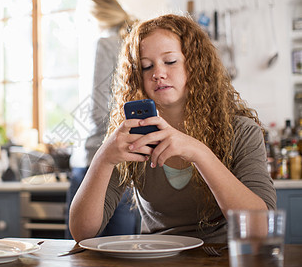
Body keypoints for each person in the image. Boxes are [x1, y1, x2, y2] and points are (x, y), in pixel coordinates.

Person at [69, 13, 277, 243]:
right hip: (156, 263)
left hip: (222, 261)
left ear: (196, 65)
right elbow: (81, 232)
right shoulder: (134, 136)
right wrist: (104, 158)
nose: (158, 73)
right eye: (147, 66)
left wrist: (199, 153)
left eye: (170, 61)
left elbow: (260, 228)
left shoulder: (241, 131)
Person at [67, 0, 139, 238]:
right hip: (128, 161)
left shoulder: (105, 43)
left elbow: (97, 110)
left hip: (94, 161)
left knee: (81, 252)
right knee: (121, 249)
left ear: (93, 18)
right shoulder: (134, 41)